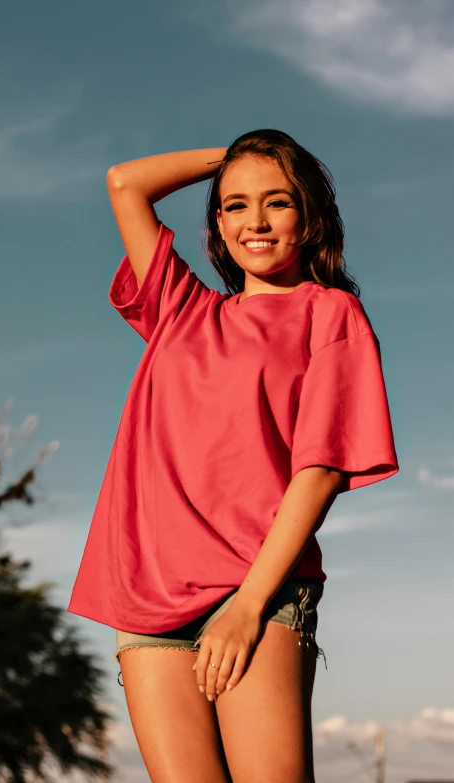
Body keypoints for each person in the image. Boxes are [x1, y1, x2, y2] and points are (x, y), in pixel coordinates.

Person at [68, 129, 399, 783]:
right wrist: (242, 154)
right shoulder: (180, 309)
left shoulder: (331, 315)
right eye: (236, 203)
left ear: (309, 216)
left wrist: (248, 604)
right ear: (217, 220)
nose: (256, 220)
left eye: (277, 201)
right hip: (149, 592)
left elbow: (322, 467)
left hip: (262, 588)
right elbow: (124, 182)